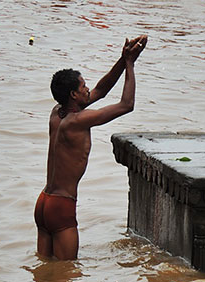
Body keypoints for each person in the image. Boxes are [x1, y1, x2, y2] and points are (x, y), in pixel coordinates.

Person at [34, 35, 148, 260]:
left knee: (46, 273)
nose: (88, 89)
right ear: (74, 95)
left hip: (44, 203)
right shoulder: (78, 120)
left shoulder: (58, 113)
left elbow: (101, 90)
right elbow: (127, 104)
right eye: (83, 86)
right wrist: (131, 66)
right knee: (68, 279)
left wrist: (123, 58)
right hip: (62, 206)